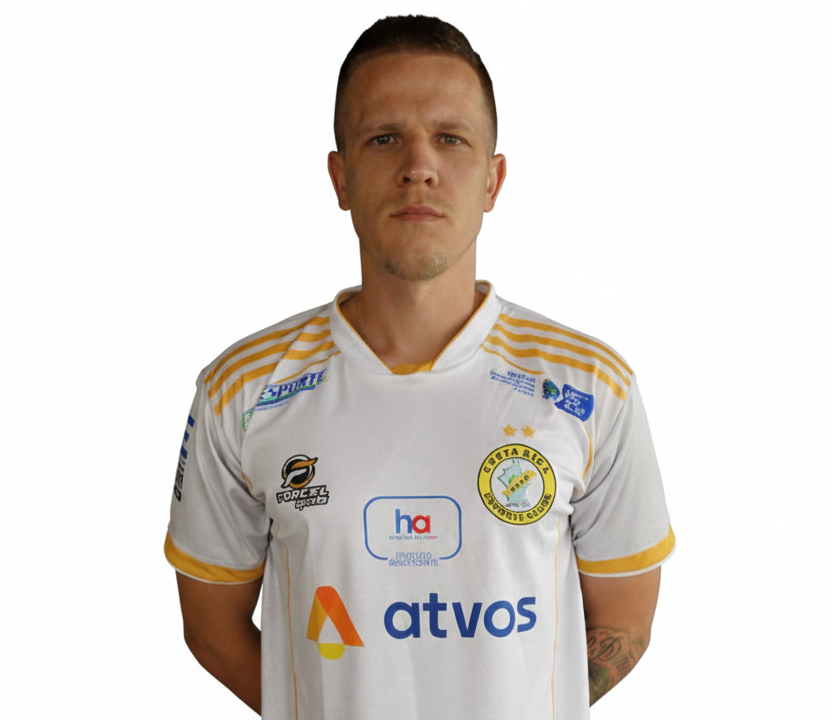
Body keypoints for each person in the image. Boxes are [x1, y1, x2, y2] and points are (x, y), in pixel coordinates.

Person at [165, 15, 674, 719]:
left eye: (450, 138)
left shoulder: (592, 387)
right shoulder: (241, 392)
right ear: (340, 177)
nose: (418, 166)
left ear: (493, 180)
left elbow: (625, 624)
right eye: (383, 138)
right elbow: (212, 630)